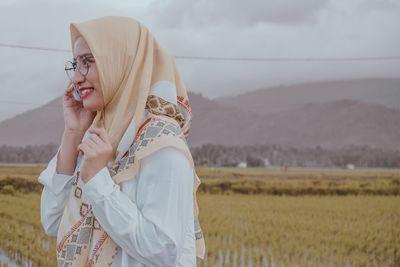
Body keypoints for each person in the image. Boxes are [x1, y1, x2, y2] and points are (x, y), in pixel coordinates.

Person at [38, 16, 205, 267]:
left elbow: (163, 249)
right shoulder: (99, 136)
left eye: (88, 62)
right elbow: (51, 221)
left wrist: (97, 182)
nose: (77, 78)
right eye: (76, 63)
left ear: (122, 64)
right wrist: (72, 134)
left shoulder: (161, 144)